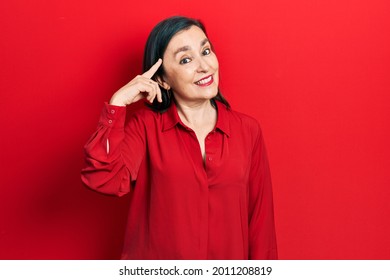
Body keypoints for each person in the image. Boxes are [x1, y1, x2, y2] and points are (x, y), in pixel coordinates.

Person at [81, 16, 277, 260]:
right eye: (186, 59)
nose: (204, 66)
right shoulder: (145, 127)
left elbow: (260, 223)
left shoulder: (248, 130)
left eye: (205, 51)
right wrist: (117, 104)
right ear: (163, 79)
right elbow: (103, 179)